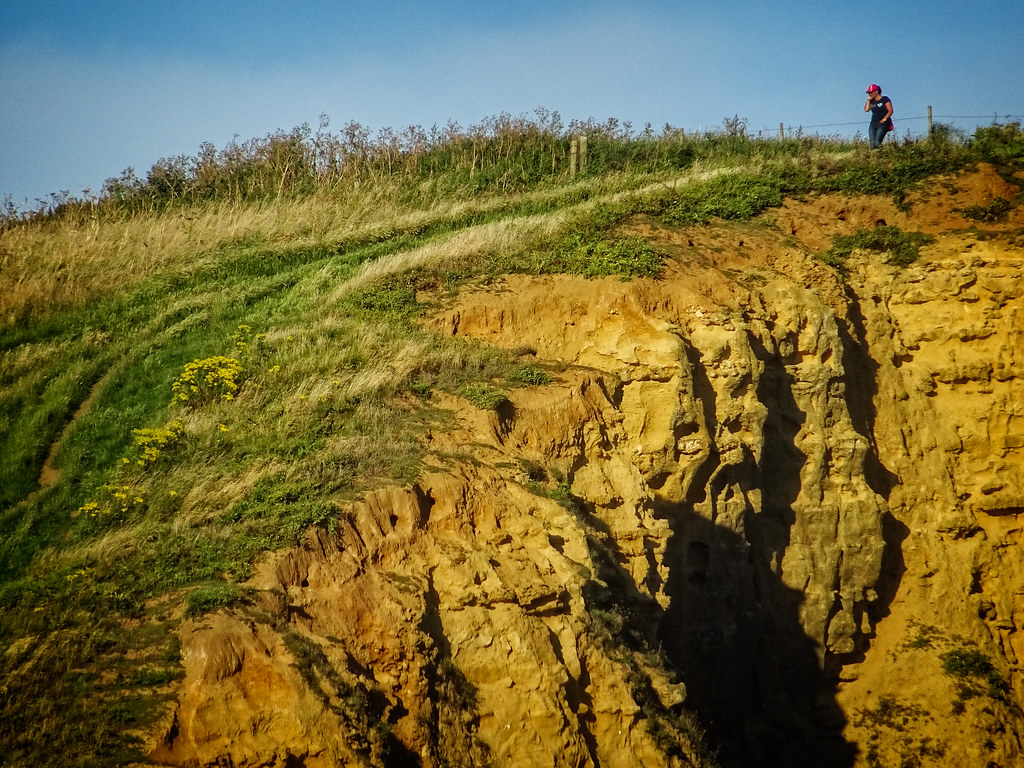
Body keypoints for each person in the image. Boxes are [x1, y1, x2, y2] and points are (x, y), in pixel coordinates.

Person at [864, 84, 894, 149]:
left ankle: (879, 153)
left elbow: (890, 111)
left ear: (876, 91)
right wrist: (868, 100)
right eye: (869, 93)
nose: (870, 94)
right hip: (873, 124)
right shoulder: (872, 102)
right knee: (872, 143)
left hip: (882, 124)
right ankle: (873, 155)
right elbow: (866, 110)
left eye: (871, 92)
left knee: (877, 142)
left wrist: (884, 119)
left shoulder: (885, 99)